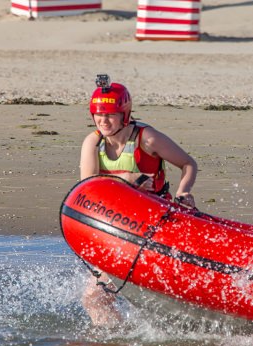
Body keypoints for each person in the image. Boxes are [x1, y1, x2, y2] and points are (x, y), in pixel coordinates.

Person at [79, 74, 198, 326]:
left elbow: (188, 164)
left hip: (156, 226)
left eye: (110, 114)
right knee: (94, 298)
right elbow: (87, 187)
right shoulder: (93, 142)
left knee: (158, 299)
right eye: (98, 114)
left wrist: (183, 191)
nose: (103, 120)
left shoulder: (148, 138)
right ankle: (116, 343)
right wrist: (126, 177)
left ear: (125, 114)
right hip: (119, 228)